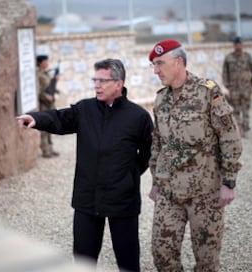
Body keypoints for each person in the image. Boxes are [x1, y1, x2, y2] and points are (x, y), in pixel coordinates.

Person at [17, 58, 153, 272]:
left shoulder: (139, 117)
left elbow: (148, 154)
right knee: (82, 262)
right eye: (95, 79)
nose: (96, 85)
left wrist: (129, 175)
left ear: (119, 83)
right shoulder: (85, 109)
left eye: (102, 80)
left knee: (127, 262)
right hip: (87, 200)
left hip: (123, 201)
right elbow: (60, 118)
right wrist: (36, 118)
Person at [147, 39, 242, 272]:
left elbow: (229, 137)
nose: (156, 70)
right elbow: (158, 143)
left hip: (205, 192)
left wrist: (228, 182)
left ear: (178, 62)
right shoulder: (161, 99)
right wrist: (156, 181)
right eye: (153, 65)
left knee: (206, 261)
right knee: (162, 253)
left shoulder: (207, 92)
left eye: (160, 63)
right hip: (169, 191)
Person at [222, 36, 252, 137]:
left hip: (246, 88)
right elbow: (225, 73)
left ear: (242, 44)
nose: (238, 45)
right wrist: (228, 86)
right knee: (236, 110)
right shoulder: (228, 58)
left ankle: (245, 130)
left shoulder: (248, 57)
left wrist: (251, 85)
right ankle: (239, 130)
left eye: (239, 43)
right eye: (236, 44)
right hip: (234, 89)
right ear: (234, 45)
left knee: (245, 110)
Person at [36, 54, 60, 158]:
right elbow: (38, 90)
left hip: (50, 103)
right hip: (44, 104)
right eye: (45, 61)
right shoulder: (38, 74)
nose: (47, 63)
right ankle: (45, 150)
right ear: (40, 63)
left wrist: (55, 81)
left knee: (50, 126)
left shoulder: (46, 73)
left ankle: (50, 148)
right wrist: (45, 96)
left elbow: (50, 87)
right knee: (44, 127)